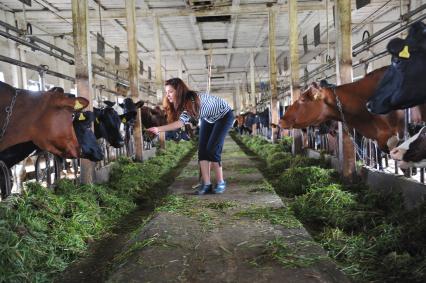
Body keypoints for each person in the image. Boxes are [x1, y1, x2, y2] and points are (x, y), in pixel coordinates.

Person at [146, 78, 234, 195]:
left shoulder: (191, 101)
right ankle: (206, 184)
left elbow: (180, 123)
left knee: (212, 150)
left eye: (170, 92)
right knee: (202, 151)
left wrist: (158, 129)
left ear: (179, 91)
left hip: (224, 116)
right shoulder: (183, 104)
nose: (168, 95)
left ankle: (220, 182)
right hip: (207, 118)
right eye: (166, 92)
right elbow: (182, 120)